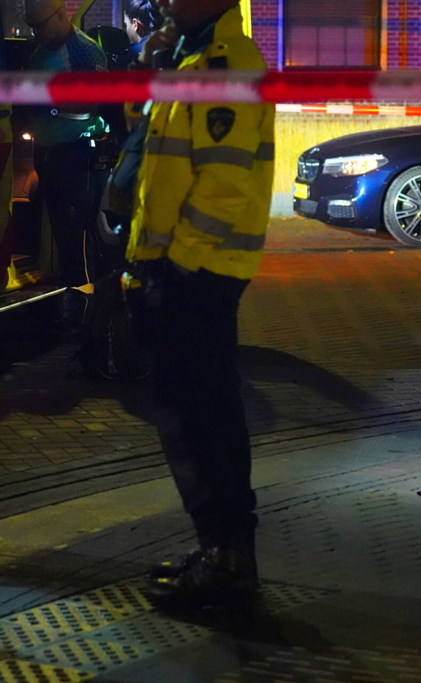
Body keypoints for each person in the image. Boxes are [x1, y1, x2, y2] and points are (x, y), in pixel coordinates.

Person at [129, 0, 275, 607]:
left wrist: (178, 261)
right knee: (204, 408)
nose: (162, 1)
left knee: (194, 415)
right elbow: (157, 138)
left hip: (198, 272)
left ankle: (225, 561)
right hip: (189, 267)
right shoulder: (193, 55)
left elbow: (223, 183)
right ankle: (224, 551)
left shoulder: (224, 63)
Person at [24, 0, 109, 332]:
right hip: (51, 156)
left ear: (60, 14)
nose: (37, 33)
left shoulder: (84, 54)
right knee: (64, 236)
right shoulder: (39, 51)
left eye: (41, 25)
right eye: (32, 27)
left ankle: (87, 314)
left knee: (78, 240)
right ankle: (80, 307)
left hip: (78, 156)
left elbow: (96, 104)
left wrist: (52, 105)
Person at [117, 0, 163, 69]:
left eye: (126, 24)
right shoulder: (173, 47)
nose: (126, 28)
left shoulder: (129, 55)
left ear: (135, 24)